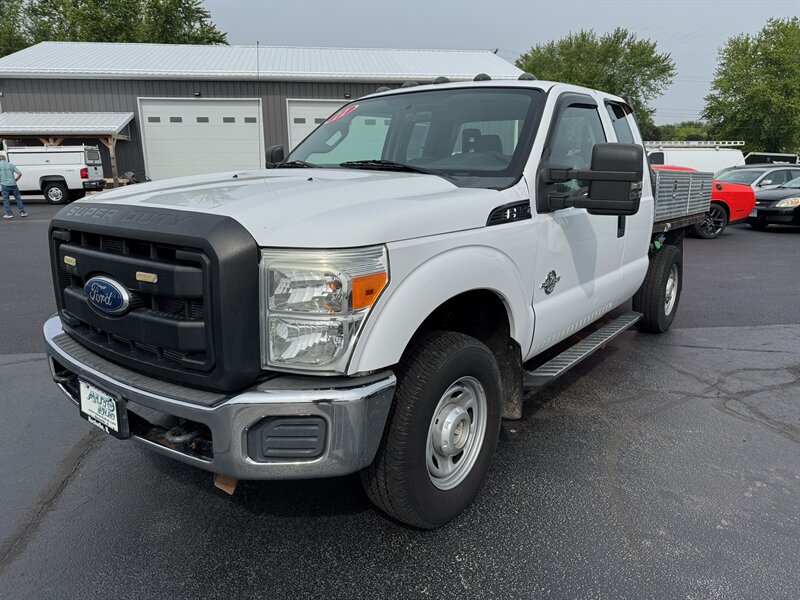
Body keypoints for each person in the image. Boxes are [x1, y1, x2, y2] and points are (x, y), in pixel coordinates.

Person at [0, 154, 27, 219]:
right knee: (18, 199)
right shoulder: (10, 165)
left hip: (4, 185)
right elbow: (20, 174)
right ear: (5, 159)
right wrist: (16, 180)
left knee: (6, 200)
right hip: (13, 184)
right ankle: (23, 212)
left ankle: (9, 214)